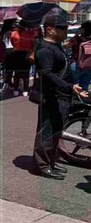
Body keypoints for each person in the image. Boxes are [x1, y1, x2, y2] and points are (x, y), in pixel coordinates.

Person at [32, 14, 88, 179]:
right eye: (62, 28)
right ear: (50, 30)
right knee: (47, 132)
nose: (66, 31)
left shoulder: (55, 45)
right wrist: (70, 87)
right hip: (52, 96)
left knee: (56, 131)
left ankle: (50, 162)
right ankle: (41, 166)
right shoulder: (45, 49)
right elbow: (46, 74)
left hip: (61, 96)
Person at [9, 21, 39, 96]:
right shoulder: (29, 34)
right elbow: (33, 44)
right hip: (25, 53)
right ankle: (25, 90)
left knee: (17, 73)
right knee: (25, 73)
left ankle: (16, 89)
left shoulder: (14, 33)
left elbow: (12, 42)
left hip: (17, 54)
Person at [63, 21, 91, 90]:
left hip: (76, 65)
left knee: (72, 85)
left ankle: (73, 99)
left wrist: (75, 35)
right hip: (89, 66)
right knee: (84, 86)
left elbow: (65, 46)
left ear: (83, 29)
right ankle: (82, 99)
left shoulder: (77, 39)